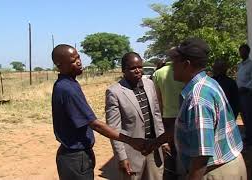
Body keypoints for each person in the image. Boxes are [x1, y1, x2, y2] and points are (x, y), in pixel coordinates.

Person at [145, 38, 247, 180]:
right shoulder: (208, 83)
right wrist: (156, 142)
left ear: (186, 64)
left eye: (175, 61)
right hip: (228, 164)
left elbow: (202, 154)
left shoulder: (197, 98)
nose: (172, 66)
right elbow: (189, 127)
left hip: (215, 171)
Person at [51, 44, 145, 180]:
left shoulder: (68, 83)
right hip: (75, 158)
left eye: (78, 57)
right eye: (72, 61)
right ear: (59, 65)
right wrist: (130, 140)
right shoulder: (67, 89)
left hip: (75, 156)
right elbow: (95, 124)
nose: (78, 62)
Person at [105, 52, 164, 180]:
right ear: (123, 70)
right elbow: (114, 129)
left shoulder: (149, 84)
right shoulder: (115, 92)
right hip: (132, 153)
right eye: (132, 68)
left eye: (140, 67)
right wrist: (122, 157)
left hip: (153, 148)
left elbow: (156, 115)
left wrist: (162, 141)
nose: (138, 71)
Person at [152, 59, 184, 179]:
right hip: (184, 114)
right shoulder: (184, 71)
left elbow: (157, 98)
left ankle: (171, 172)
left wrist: (158, 116)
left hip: (166, 116)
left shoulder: (158, 73)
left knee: (169, 146)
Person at [237, 44, 252, 146]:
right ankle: (248, 135)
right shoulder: (240, 65)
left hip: (248, 93)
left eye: (244, 51)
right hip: (240, 94)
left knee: (250, 116)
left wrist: (245, 88)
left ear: (248, 52)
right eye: (240, 51)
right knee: (244, 116)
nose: (242, 53)